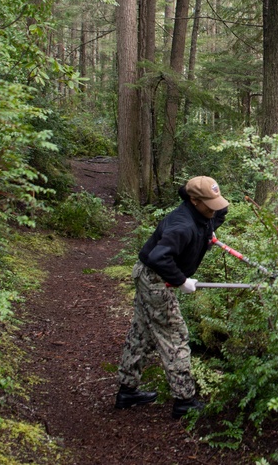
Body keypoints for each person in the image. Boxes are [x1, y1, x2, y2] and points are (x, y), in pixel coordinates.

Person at [114, 176, 230, 418]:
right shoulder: (182, 226)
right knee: (175, 336)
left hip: (150, 275)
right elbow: (159, 258)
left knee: (142, 333)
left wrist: (218, 209)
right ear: (194, 200)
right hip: (155, 280)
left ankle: (127, 391)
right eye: (210, 203)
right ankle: (184, 401)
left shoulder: (202, 214)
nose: (215, 208)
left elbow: (217, 216)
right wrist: (181, 280)